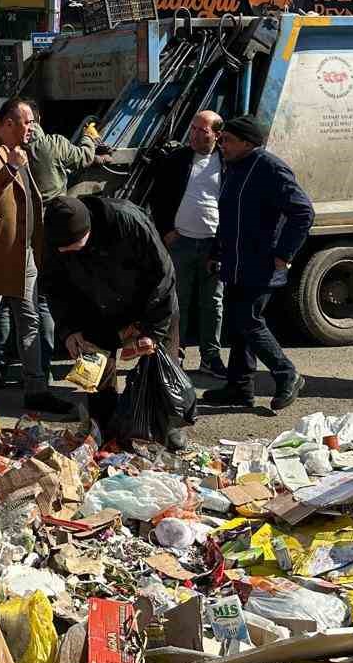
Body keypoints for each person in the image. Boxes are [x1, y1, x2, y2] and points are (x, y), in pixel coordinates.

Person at [37, 194, 188, 451]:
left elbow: (163, 276)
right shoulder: (55, 237)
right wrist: (69, 329)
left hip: (150, 305)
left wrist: (151, 330)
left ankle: (168, 426)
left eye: (75, 245)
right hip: (95, 309)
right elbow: (54, 287)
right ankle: (106, 431)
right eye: (62, 248)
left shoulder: (128, 221)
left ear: (90, 230)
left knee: (161, 368)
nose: (66, 252)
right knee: (97, 376)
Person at [0, 97, 74, 417]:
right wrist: (9, 167)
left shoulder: (23, 154)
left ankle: (36, 388)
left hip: (22, 255)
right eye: (27, 122)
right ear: (7, 124)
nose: (32, 128)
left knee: (30, 320)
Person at [201, 115, 314, 412]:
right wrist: (216, 251)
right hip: (234, 263)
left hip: (260, 265)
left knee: (248, 320)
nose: (220, 144)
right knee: (238, 326)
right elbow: (228, 218)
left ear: (247, 143)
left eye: (227, 140)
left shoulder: (270, 168)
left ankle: (287, 373)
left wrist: (284, 254)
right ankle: (239, 388)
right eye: (221, 139)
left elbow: (303, 212)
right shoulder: (233, 167)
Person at [150, 111, 228, 378]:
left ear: (217, 135)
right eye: (193, 129)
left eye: (201, 131)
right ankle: (175, 354)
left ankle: (211, 357)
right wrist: (166, 231)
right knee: (177, 301)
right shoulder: (177, 160)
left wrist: (222, 243)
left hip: (213, 245)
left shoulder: (227, 162)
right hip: (180, 242)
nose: (194, 135)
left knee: (213, 303)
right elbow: (157, 196)